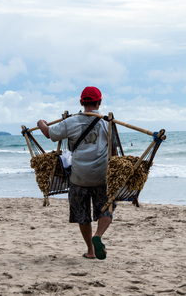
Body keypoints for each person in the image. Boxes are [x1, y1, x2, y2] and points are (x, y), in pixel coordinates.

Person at [37, 86, 116, 260]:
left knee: (82, 214)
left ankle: (91, 250)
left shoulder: (71, 122)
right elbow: (114, 151)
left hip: (79, 176)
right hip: (101, 176)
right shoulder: (106, 122)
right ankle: (99, 236)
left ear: (81, 102)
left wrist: (41, 123)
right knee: (106, 209)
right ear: (99, 102)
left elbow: (50, 134)